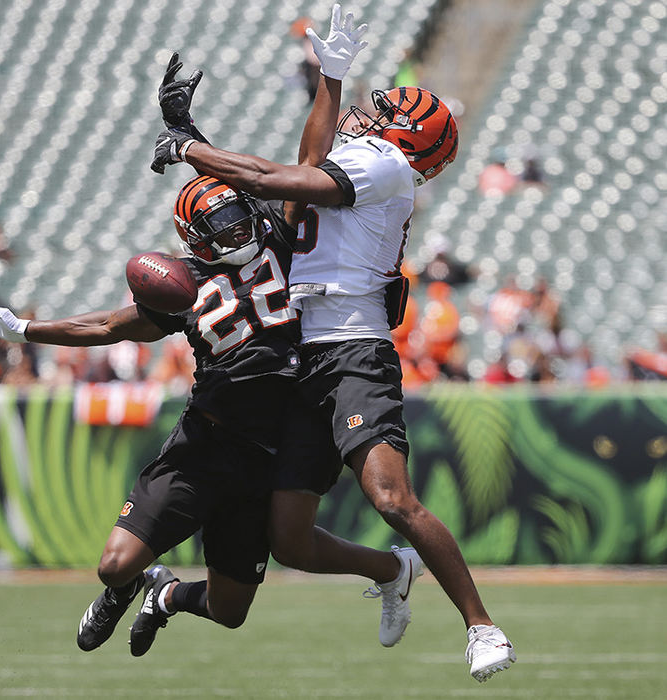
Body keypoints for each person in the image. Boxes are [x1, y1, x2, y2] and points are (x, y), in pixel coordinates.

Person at [0, 10, 414, 660]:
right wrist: (27, 327)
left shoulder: (287, 240)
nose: (240, 229)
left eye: (241, 218)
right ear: (194, 242)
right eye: (224, 227)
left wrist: (318, 83)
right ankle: (126, 590)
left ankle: (165, 594)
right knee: (112, 563)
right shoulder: (186, 288)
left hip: (273, 456)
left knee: (230, 611)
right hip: (207, 445)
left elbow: (299, 163)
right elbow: (110, 325)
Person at [151, 7, 514, 682]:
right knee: (288, 536)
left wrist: (187, 146)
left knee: (392, 499)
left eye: (379, 114)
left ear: (399, 138)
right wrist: (332, 77)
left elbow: (271, 178)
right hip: (306, 354)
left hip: (350, 351)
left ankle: (482, 625)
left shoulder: (386, 169)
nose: (365, 117)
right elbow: (307, 159)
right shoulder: (366, 158)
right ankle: (391, 572)